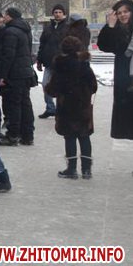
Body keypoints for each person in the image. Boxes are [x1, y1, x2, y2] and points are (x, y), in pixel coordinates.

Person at [44, 36, 97, 179]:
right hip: (83, 106)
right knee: (84, 136)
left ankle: (71, 169)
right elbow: (94, 86)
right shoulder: (85, 65)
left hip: (66, 106)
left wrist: (50, 89)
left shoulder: (60, 66)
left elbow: (53, 89)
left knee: (70, 136)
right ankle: (87, 170)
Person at [97, 0, 133, 170]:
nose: (122, 15)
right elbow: (104, 46)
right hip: (126, 80)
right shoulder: (118, 31)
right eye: (119, 13)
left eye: (126, 11)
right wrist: (110, 26)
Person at [0, 7, 36, 146]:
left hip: (15, 73)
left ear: (10, 16)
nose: (3, 18)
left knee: (14, 105)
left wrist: (3, 75)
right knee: (25, 104)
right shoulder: (25, 29)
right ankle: (28, 135)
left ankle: (13, 135)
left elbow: (9, 55)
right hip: (25, 72)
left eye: (5, 15)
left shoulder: (10, 31)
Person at [37, 4, 69, 119]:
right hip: (49, 62)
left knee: (62, 87)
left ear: (64, 14)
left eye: (60, 12)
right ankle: (50, 108)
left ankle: (62, 109)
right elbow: (42, 44)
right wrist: (39, 59)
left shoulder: (68, 27)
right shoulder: (48, 28)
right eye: (56, 12)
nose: (58, 14)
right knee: (45, 84)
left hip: (62, 63)